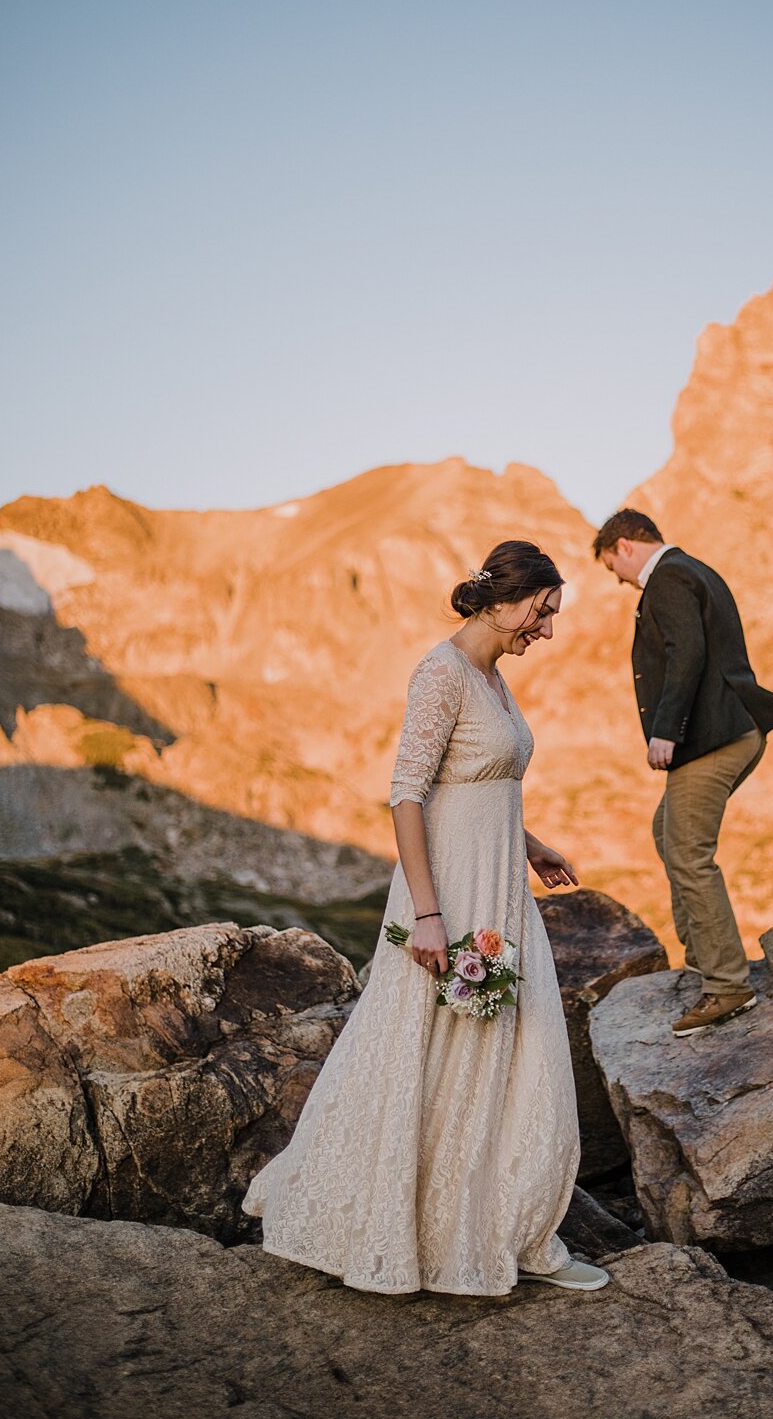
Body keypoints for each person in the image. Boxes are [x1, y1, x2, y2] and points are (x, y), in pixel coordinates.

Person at [242, 540, 609, 1294]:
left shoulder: (493, 678)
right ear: (505, 599)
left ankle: (502, 1227)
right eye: (542, 612)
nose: (546, 629)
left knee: (514, 1053)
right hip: (451, 899)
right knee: (433, 1050)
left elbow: (478, 785)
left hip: (502, 887)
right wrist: (430, 916)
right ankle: (416, 1230)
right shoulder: (440, 674)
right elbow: (406, 795)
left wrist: (532, 846)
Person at [594, 509, 773, 1032]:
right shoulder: (695, 569)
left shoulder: (667, 578)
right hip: (738, 728)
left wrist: (667, 729)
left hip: (713, 735)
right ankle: (703, 953)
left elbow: (687, 652)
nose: (620, 581)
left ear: (623, 546)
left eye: (613, 569)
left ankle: (726, 986)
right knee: (667, 830)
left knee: (688, 852)